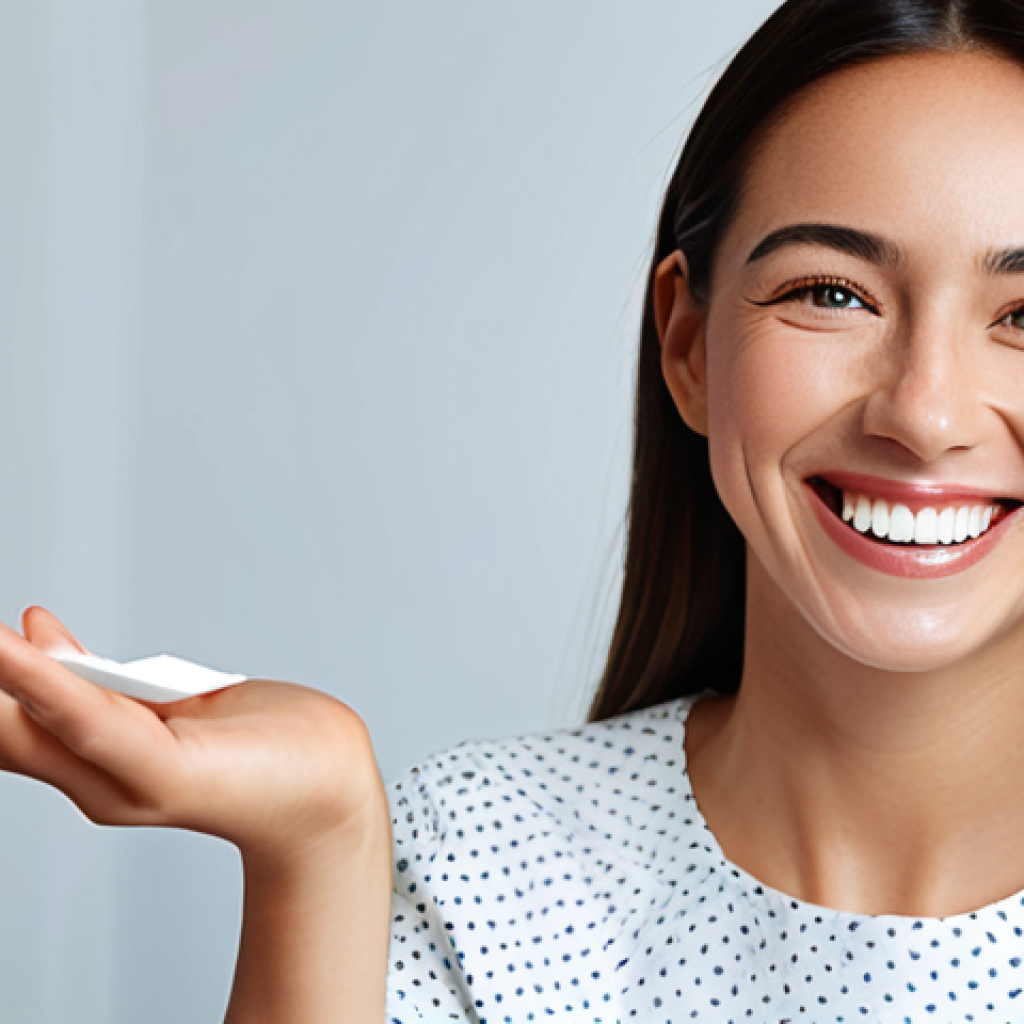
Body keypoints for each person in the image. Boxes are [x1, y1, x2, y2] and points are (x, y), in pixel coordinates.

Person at [5, 0, 1024, 1019]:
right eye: (832, 294)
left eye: (1019, 316)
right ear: (687, 348)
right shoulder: (477, 863)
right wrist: (316, 842)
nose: (923, 412)